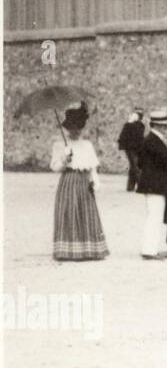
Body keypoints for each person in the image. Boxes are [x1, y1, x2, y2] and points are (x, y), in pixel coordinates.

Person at [49, 103, 109, 261]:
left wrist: (95, 181)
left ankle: (88, 250)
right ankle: (68, 251)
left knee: (86, 213)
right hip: (68, 182)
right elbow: (55, 167)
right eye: (72, 127)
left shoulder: (87, 145)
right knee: (69, 213)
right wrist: (64, 158)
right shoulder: (59, 145)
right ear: (67, 128)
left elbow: (92, 167)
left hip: (84, 183)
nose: (75, 131)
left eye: (78, 127)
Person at [137, 108, 167, 259]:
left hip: (154, 183)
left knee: (154, 215)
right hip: (154, 184)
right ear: (155, 125)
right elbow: (163, 156)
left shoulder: (153, 139)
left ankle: (150, 249)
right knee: (154, 216)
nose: (166, 128)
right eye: (163, 126)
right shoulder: (152, 140)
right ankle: (149, 250)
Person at [117, 107, 146, 191]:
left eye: (138, 115)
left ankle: (130, 187)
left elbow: (138, 137)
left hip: (136, 148)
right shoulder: (130, 125)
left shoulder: (140, 125)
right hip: (130, 148)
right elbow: (124, 136)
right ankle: (141, 186)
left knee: (134, 166)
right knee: (135, 166)